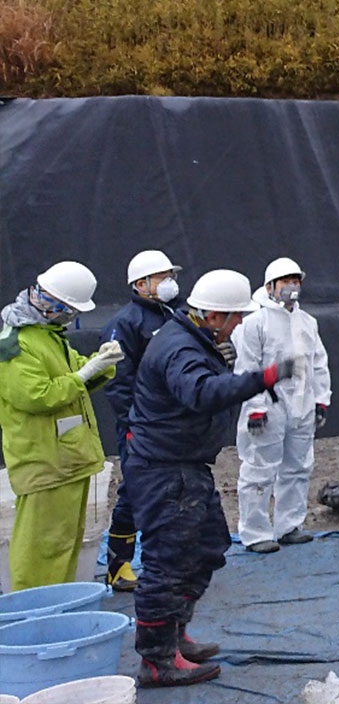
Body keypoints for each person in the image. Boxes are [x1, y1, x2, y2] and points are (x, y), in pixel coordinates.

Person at [123, 269, 295, 688]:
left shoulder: (190, 338)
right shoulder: (180, 348)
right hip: (165, 470)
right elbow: (199, 393)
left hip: (182, 464)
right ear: (214, 316)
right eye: (235, 318)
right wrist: (261, 378)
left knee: (206, 546)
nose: (238, 325)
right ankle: (157, 659)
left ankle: (175, 635)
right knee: (167, 563)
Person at [0, 261, 120, 590]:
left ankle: (59, 608)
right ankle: (33, 613)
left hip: (66, 460)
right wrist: (83, 375)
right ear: (53, 303)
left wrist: (101, 364)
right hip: (45, 462)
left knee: (64, 543)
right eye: (68, 309)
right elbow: (37, 396)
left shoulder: (47, 335)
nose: (70, 316)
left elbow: (72, 372)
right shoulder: (16, 342)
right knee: (40, 549)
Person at [97, 249, 185, 592]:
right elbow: (117, 381)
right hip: (142, 427)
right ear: (141, 283)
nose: (169, 283)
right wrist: (137, 422)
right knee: (135, 492)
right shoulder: (124, 325)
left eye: (170, 276)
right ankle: (118, 565)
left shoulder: (177, 315)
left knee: (177, 489)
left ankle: (168, 560)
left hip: (177, 423)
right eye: (162, 277)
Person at [232, 257, 331, 553]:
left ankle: (289, 525)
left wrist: (320, 399)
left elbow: (318, 364)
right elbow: (246, 368)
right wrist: (254, 407)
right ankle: (255, 533)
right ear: (269, 286)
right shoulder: (254, 323)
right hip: (270, 405)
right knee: (260, 469)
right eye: (286, 281)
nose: (292, 286)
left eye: (296, 280)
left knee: (299, 467)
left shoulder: (307, 322)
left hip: (301, 404)